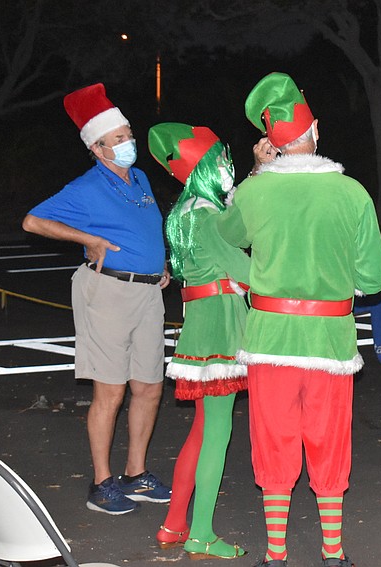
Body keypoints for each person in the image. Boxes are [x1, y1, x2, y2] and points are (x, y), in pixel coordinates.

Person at [218, 72, 381, 567]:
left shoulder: (255, 193)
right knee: (328, 438)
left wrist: (253, 175)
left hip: (269, 335)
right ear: (315, 128)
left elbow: (229, 234)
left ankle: (276, 554)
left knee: (273, 439)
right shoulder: (351, 192)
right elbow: (374, 277)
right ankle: (332, 553)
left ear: (270, 141)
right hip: (329, 340)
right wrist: (344, 281)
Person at [22, 83, 171, 514]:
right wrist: (87, 238)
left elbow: (143, 229)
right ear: (98, 146)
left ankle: (136, 475)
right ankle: (101, 483)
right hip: (107, 292)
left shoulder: (140, 178)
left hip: (147, 292)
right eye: (119, 138)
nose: (129, 143)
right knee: (111, 391)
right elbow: (34, 221)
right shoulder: (87, 187)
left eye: (128, 133)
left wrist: (157, 264)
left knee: (149, 388)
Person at [148, 123, 249, 559]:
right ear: (207, 167)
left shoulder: (186, 212)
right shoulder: (207, 218)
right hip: (221, 325)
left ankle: (174, 524)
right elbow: (251, 272)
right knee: (217, 432)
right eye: (223, 161)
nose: (229, 167)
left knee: (203, 429)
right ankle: (202, 533)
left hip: (201, 322)